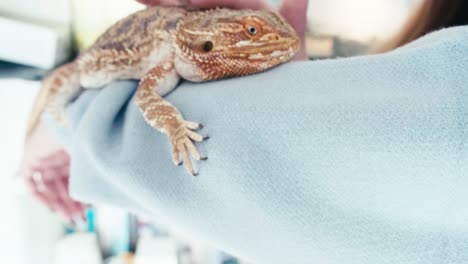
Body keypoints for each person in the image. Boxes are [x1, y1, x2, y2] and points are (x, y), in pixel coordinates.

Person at [19, 0, 468, 263]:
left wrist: (60, 137)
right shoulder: (175, 57)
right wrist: (52, 127)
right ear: (208, 43)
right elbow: (143, 102)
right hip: (84, 75)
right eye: (252, 29)